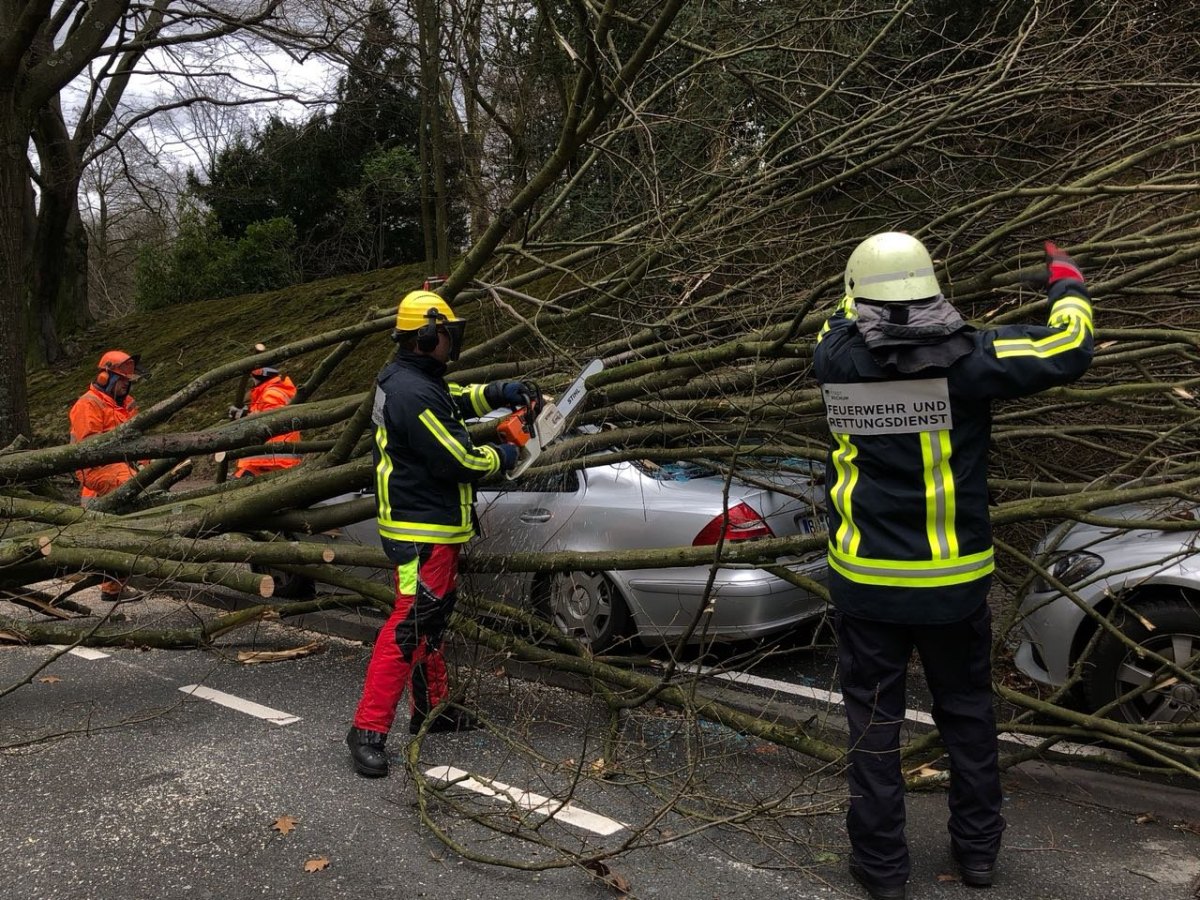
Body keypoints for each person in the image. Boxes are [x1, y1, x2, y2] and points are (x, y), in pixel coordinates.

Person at [812, 234, 1094, 900]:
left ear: (859, 298)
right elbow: (1067, 347)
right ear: (930, 290)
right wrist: (1067, 284)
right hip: (952, 583)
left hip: (868, 582)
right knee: (967, 715)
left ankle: (881, 871)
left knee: (874, 729)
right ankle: (977, 855)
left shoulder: (833, 357)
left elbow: (839, 314)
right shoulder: (973, 359)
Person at [346, 289, 531, 778]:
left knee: (431, 619)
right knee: (409, 624)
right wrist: (506, 455)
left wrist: (498, 393)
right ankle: (367, 730)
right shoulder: (412, 393)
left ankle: (433, 709)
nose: (452, 341)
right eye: (447, 332)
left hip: (429, 526)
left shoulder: (410, 379)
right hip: (420, 531)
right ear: (429, 335)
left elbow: (451, 401)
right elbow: (459, 459)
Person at [69, 350, 146, 603]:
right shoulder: (89, 404)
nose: (126, 384)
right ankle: (111, 586)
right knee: (127, 500)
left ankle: (112, 582)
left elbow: (141, 440)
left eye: (128, 380)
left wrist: (147, 467)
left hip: (122, 467)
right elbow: (92, 447)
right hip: (98, 471)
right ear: (105, 377)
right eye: (122, 380)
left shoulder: (128, 404)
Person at [229, 367, 302, 477]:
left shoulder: (271, 393)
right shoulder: (267, 393)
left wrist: (245, 417)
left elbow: (271, 422)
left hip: (271, 459)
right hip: (267, 459)